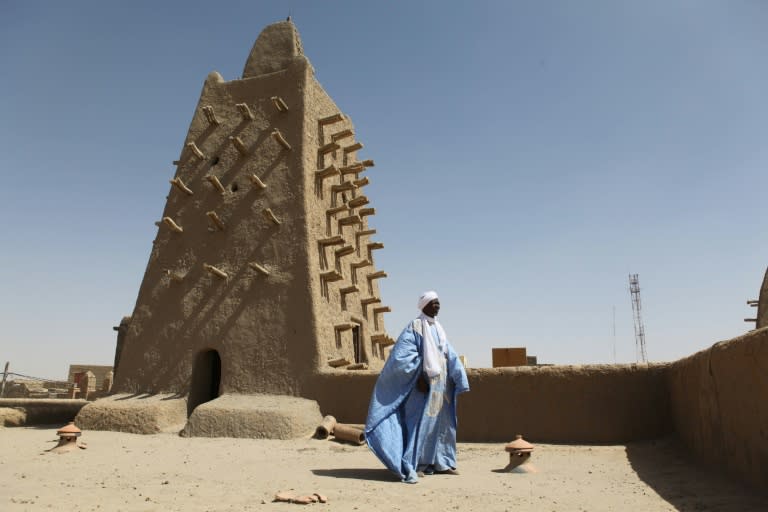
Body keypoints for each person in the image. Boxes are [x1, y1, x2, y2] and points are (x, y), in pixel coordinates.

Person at [364, 291, 470, 483]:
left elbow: (449, 353)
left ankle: (442, 462)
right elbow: (401, 357)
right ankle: (416, 464)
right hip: (421, 387)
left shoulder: (439, 328)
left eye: (438, 302)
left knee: (441, 426)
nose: (437, 305)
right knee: (419, 424)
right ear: (425, 306)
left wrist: (459, 376)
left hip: (440, 386)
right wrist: (418, 375)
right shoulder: (415, 327)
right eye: (433, 302)